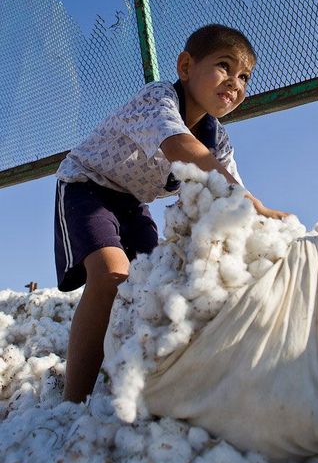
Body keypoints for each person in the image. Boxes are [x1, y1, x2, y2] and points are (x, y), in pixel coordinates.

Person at [55, 23, 288, 403]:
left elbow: (225, 191)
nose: (235, 82)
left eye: (244, 76)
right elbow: (181, 146)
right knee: (112, 275)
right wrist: (254, 203)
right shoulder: (159, 99)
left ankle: (133, 382)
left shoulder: (219, 140)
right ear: (185, 67)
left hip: (134, 204)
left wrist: (258, 221)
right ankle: (73, 400)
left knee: (151, 285)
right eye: (224, 66)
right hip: (87, 187)